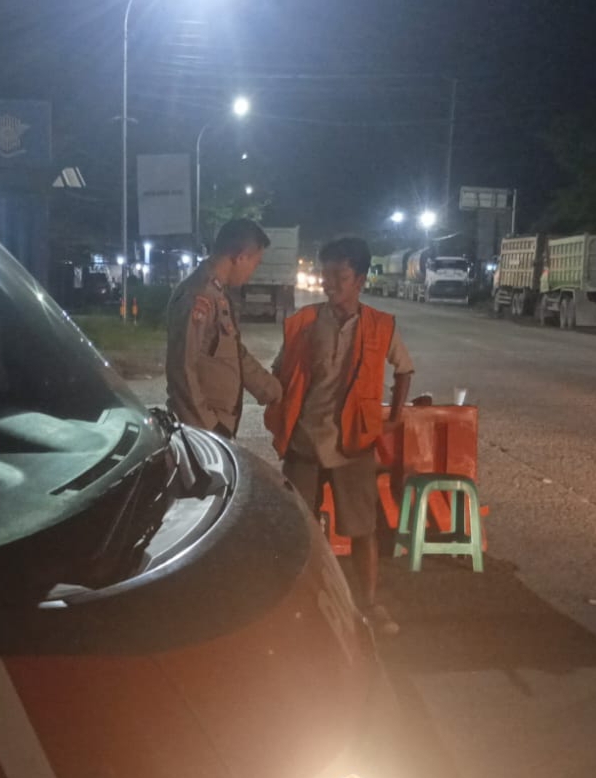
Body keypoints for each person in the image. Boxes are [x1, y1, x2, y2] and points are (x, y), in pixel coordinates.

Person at [266, 236, 414, 636]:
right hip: (305, 442)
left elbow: (404, 369)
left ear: (360, 280)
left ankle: (369, 604)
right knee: (301, 530)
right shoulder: (305, 323)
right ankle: (301, 604)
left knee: (363, 530)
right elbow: (280, 372)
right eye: (325, 273)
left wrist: (394, 417)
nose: (328, 282)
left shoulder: (381, 326)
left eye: (339, 275)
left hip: (354, 445)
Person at [165, 218, 283, 437]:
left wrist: (271, 390)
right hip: (202, 431)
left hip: (216, 425)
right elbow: (182, 368)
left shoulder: (218, 293)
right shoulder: (199, 296)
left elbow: (234, 353)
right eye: (255, 263)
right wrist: (208, 426)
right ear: (240, 257)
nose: (253, 272)